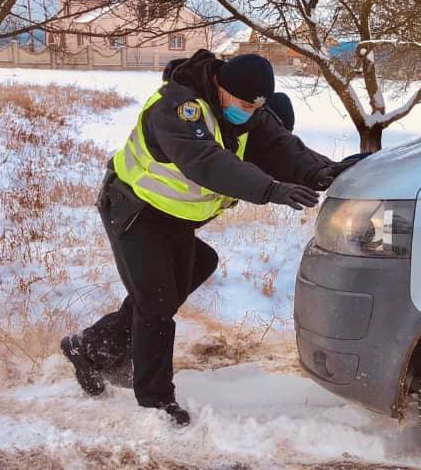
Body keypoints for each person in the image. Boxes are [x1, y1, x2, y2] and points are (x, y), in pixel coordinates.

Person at [61, 50, 358, 426]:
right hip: (134, 209)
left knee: (192, 269)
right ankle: (155, 404)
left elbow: (284, 148)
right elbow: (205, 161)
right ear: (220, 86)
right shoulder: (179, 107)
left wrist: (326, 173)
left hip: (173, 220)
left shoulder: (249, 115)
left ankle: (91, 348)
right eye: (243, 104)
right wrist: (271, 189)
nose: (248, 112)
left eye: (255, 108)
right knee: (156, 303)